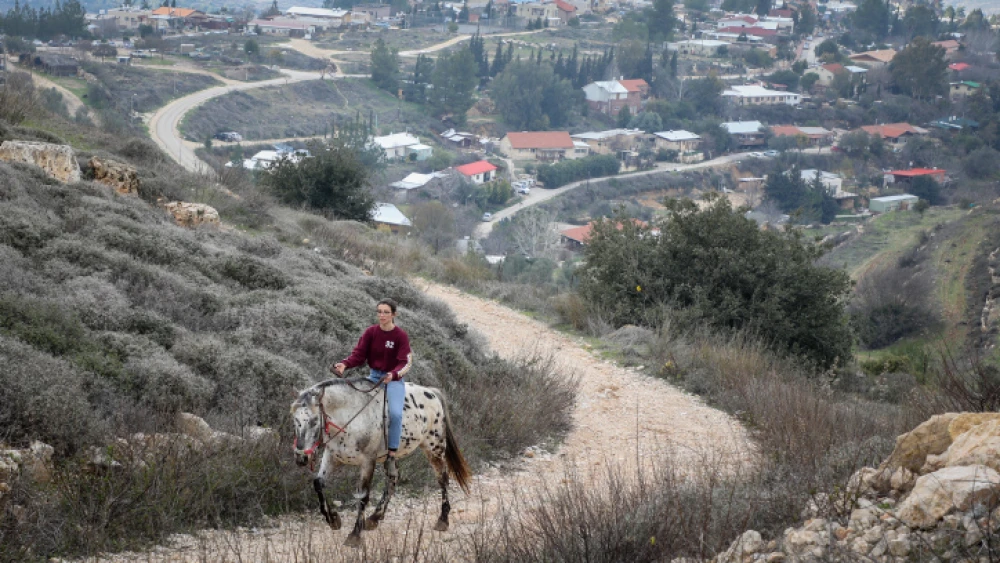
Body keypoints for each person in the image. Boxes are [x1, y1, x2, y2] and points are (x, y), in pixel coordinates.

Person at [332, 298, 411, 475]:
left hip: (393, 380)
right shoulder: (371, 332)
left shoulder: (400, 336)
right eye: (379, 311)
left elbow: (405, 363)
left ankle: (391, 455)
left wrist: (394, 375)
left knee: (396, 414)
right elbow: (358, 355)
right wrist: (344, 364)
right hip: (373, 377)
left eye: (386, 312)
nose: (381, 315)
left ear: (394, 314)